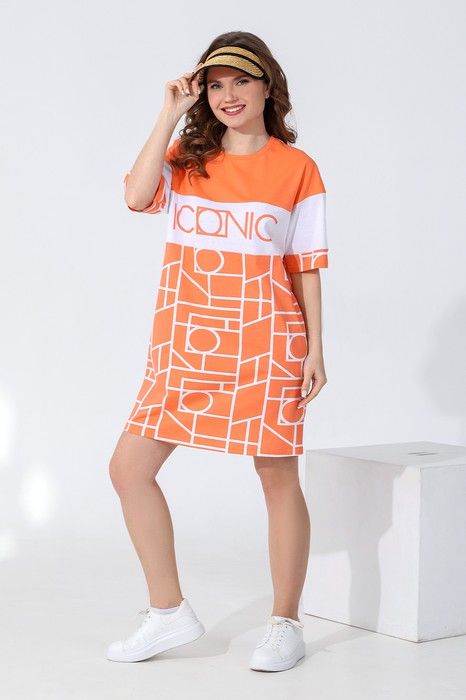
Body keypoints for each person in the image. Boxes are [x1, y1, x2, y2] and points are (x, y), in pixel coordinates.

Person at [107, 30, 328, 673]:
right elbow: (136, 197)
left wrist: (316, 347)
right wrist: (168, 113)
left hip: (267, 342)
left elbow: (306, 264)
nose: (228, 95)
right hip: (185, 342)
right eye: (214, 85)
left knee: (277, 475)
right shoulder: (186, 158)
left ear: (267, 86)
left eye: (241, 81)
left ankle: (285, 623)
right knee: (128, 470)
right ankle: (168, 612)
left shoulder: (298, 168)